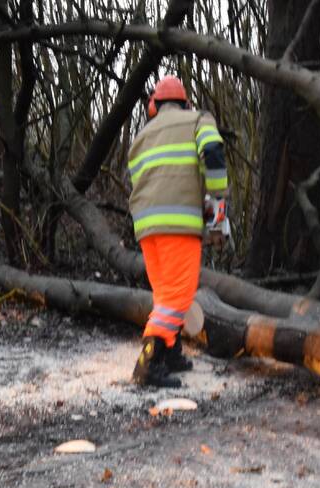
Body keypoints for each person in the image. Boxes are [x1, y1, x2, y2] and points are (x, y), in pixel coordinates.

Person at [127, 75, 229, 388]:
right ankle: (149, 361)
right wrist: (217, 197)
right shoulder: (198, 119)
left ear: (153, 107)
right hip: (178, 223)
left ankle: (171, 353)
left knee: (164, 294)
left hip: (146, 224)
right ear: (185, 103)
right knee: (179, 295)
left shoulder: (142, 135)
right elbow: (212, 152)